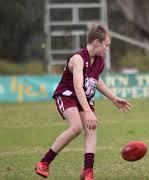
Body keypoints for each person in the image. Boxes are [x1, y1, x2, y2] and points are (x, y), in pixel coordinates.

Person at [34, 25, 131, 180]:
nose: (107, 49)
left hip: (84, 97)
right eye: (106, 45)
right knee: (77, 127)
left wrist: (113, 98)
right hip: (67, 95)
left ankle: (87, 171)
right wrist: (88, 111)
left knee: (91, 129)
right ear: (97, 43)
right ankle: (44, 163)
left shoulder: (99, 60)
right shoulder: (78, 59)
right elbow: (78, 87)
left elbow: (96, 82)